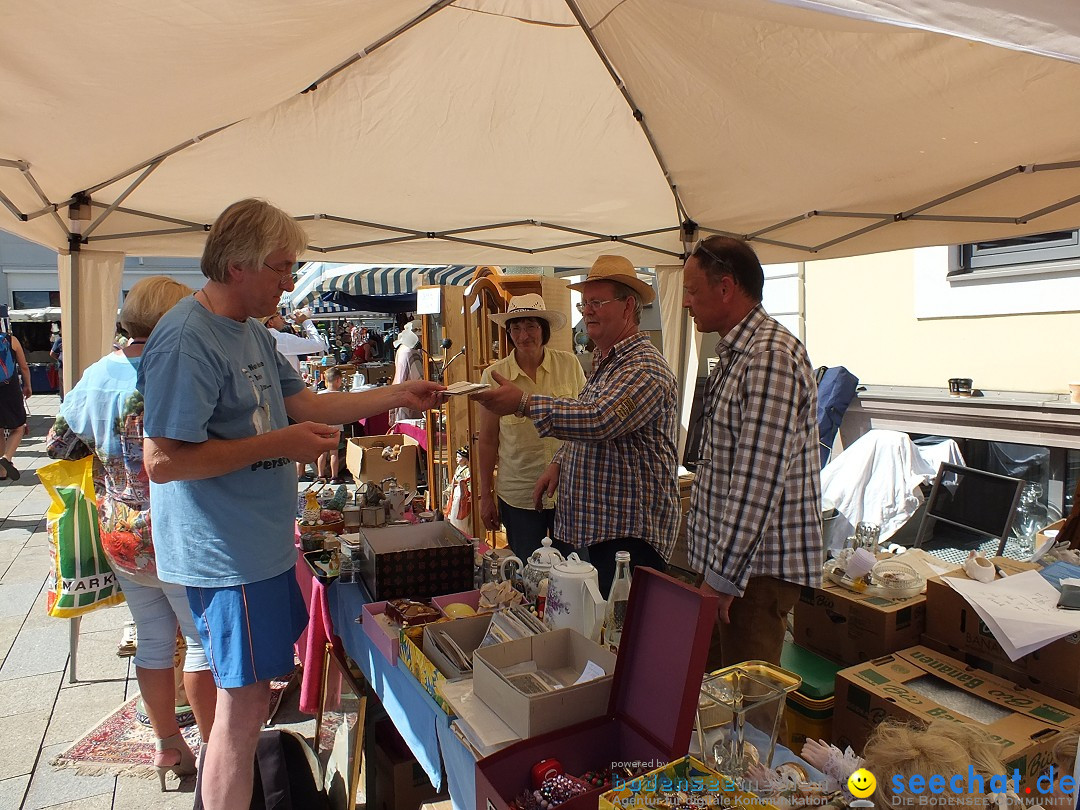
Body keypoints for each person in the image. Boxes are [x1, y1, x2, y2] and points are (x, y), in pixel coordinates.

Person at [139, 198, 443, 810]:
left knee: (247, 703)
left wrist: (397, 392)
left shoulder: (249, 329)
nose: (290, 279)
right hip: (227, 554)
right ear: (236, 267)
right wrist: (278, 444)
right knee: (243, 708)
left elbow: (304, 404)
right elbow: (163, 460)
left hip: (258, 545)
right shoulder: (186, 341)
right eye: (282, 267)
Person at [45, 276, 216, 791]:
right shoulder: (173, 370)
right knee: (202, 642)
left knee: (153, 640)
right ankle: (216, 752)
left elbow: (58, 445)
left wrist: (110, 459)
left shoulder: (98, 373)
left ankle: (167, 745)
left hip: (121, 533)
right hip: (177, 531)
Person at [472, 256, 678, 596]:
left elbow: (599, 419)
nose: (587, 311)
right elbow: (585, 418)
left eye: (597, 302)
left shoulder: (644, 367)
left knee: (618, 632)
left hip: (627, 538)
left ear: (628, 307)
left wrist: (523, 403)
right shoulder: (605, 362)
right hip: (594, 527)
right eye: (585, 303)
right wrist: (559, 462)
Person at [682, 235, 822, 669]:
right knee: (714, 702)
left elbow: (755, 482)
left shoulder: (768, 358)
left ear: (725, 288)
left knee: (746, 715)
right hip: (733, 570)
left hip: (750, 576)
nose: (686, 303)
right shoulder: (741, 352)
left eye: (692, 291)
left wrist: (721, 577)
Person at [477, 294, 585, 560]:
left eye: (531, 326)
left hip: (568, 490)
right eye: (515, 328)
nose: (523, 335)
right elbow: (488, 439)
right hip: (519, 494)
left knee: (574, 571)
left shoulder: (569, 364)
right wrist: (485, 495)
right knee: (527, 573)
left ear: (543, 329)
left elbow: (586, 423)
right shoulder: (493, 376)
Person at [0, 329, 32, 482]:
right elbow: (24, 366)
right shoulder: (11, 340)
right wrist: (28, 386)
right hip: (9, 389)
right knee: (19, 427)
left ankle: (1, 472)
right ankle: (6, 457)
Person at [316, 367, 348, 483]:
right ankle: (334, 476)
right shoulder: (340, 396)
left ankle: (321, 475)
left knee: (322, 452)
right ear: (338, 380)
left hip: (323, 427)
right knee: (334, 453)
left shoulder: (319, 394)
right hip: (336, 428)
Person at [392, 321, 424, 422]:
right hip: (410, 399)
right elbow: (419, 380)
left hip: (400, 395)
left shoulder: (402, 348)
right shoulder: (411, 351)